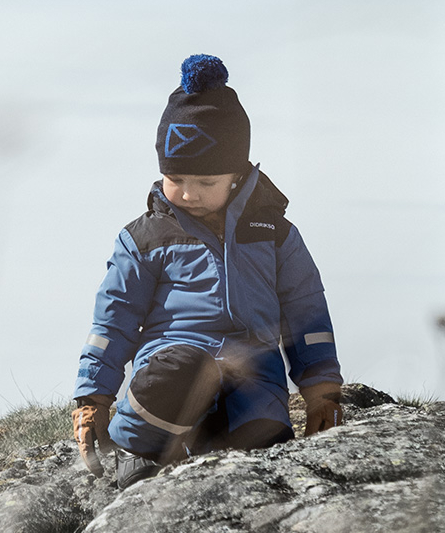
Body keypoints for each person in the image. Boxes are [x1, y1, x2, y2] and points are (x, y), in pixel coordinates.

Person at [72, 54, 343, 489]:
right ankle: (138, 446)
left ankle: (217, 441)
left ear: (237, 174)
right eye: (175, 178)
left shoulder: (274, 234)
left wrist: (321, 392)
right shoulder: (143, 238)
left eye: (206, 183)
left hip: (253, 376)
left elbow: (306, 313)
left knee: (261, 446)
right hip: (170, 369)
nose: (187, 194)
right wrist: (93, 397)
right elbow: (113, 321)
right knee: (180, 371)